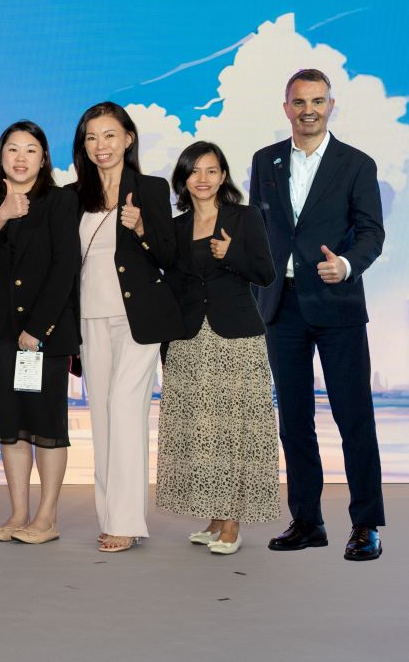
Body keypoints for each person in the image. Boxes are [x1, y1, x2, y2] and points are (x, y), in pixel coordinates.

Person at [250, 69, 385, 562]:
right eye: (299, 101)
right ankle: (307, 521)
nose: (308, 110)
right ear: (286, 107)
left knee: (354, 418)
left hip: (337, 304)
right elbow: (259, 228)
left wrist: (346, 265)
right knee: (294, 421)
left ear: (331, 105)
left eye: (318, 101)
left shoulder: (357, 164)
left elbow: (372, 232)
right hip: (280, 307)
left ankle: (366, 525)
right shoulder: (265, 160)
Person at [70, 101, 184, 553]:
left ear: (128, 139)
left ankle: (127, 519)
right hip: (88, 316)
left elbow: (169, 255)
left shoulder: (151, 189)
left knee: (125, 408)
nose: (101, 145)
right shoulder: (72, 195)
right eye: (92, 137)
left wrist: (140, 230)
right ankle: (110, 516)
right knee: (101, 414)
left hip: (139, 317)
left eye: (110, 135)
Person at [156, 141, 279, 554]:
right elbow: (174, 286)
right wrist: (167, 346)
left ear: (223, 176)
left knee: (234, 430)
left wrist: (230, 255)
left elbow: (265, 273)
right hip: (190, 340)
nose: (203, 179)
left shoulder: (244, 217)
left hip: (236, 339)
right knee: (202, 431)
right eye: (194, 171)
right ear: (183, 179)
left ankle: (232, 524)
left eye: (211, 170)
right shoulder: (176, 227)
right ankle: (214, 517)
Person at [0, 121, 80, 545]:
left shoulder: (60, 200)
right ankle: (19, 513)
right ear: (1, 156)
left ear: (43, 157)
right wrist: (0, 217)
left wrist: (38, 328)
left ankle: (46, 518)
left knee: (46, 424)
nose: (20, 157)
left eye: (30, 149)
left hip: (44, 333)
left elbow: (65, 266)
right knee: (10, 424)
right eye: (12, 149)